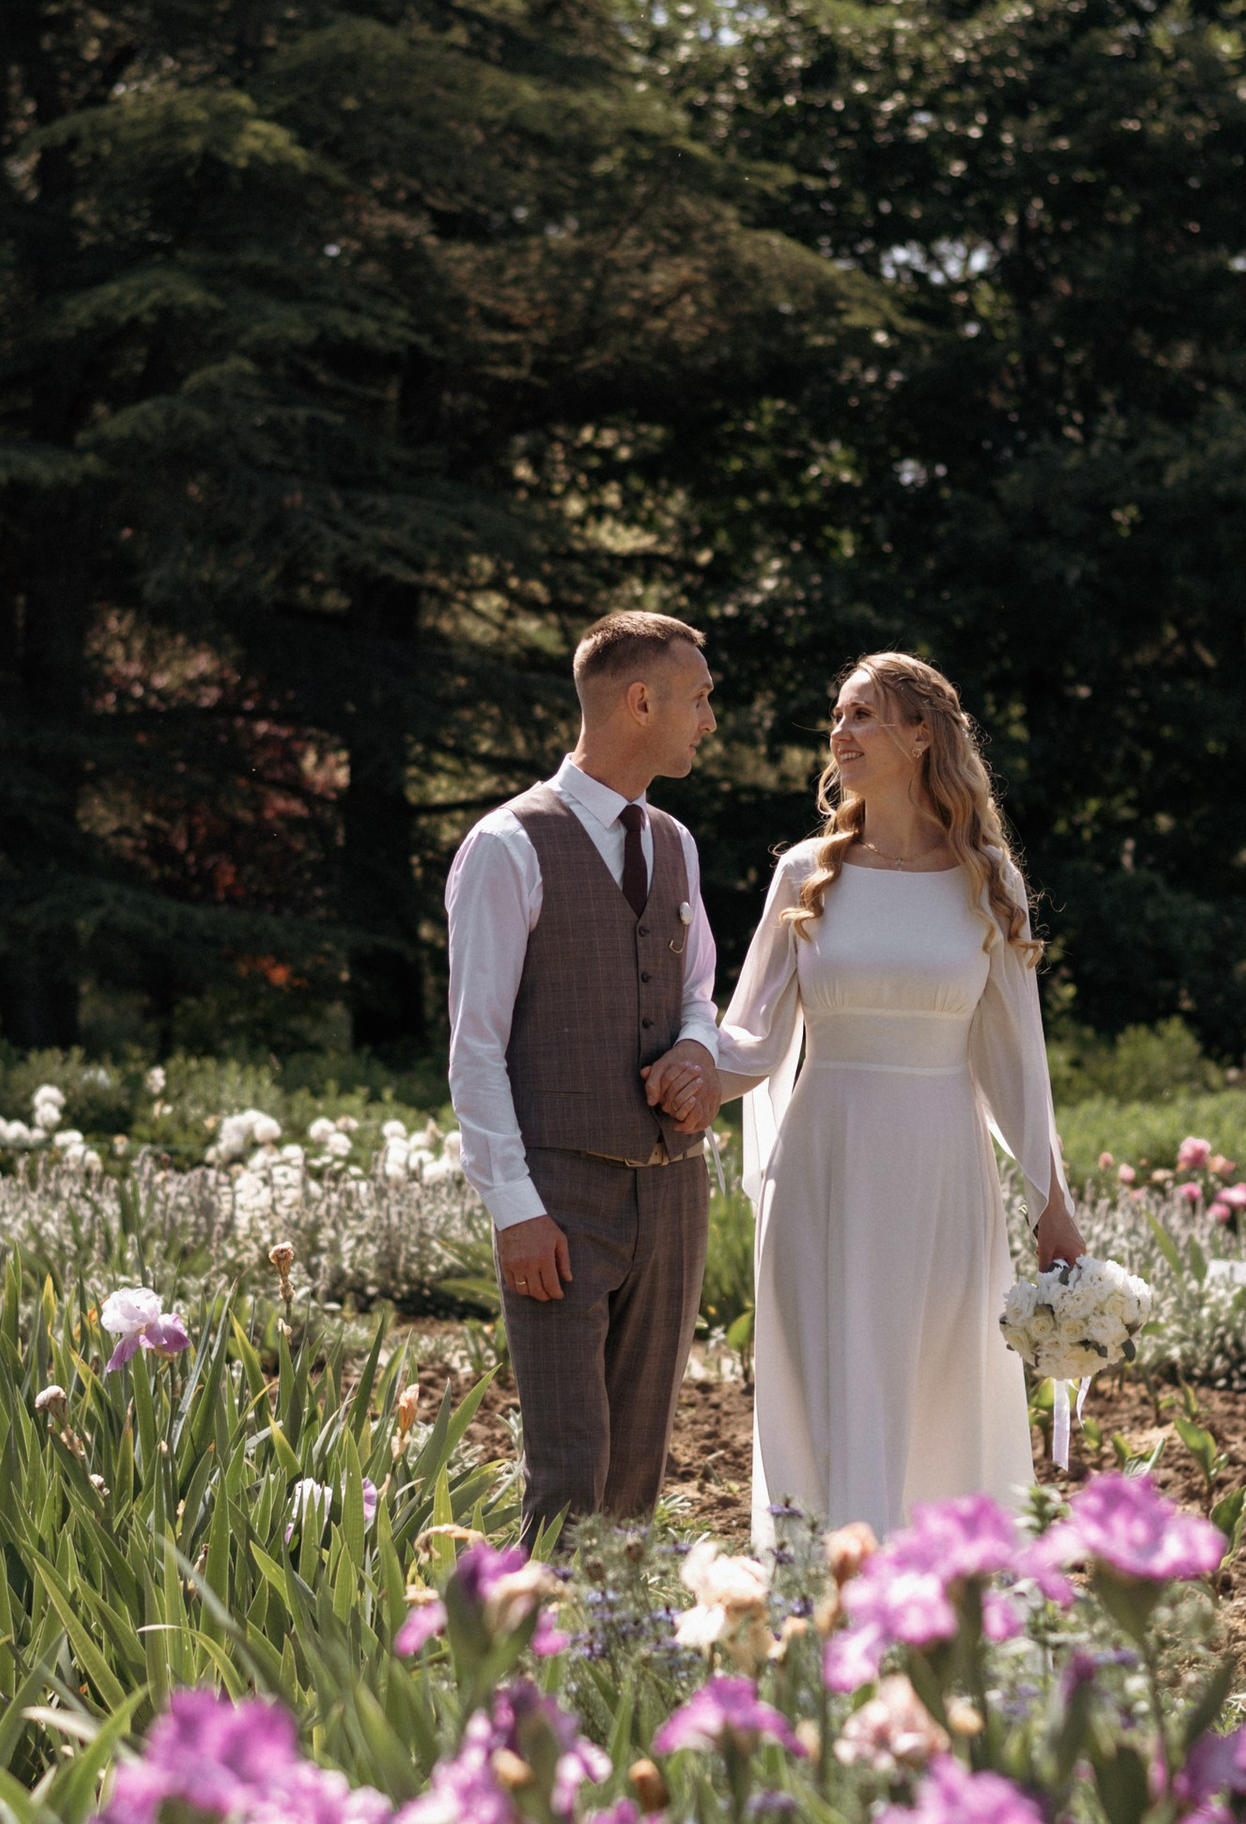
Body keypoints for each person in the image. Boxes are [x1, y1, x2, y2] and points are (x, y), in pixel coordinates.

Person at [716, 651, 1084, 1548]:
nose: (840, 735)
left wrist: (1053, 1204)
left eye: (863, 716)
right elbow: (751, 1036)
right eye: (837, 719)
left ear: (922, 735)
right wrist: (675, 1062)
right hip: (825, 1161)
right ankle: (822, 1612)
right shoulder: (805, 872)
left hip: (939, 1167)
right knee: (827, 1383)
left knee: (941, 1384)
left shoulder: (985, 880)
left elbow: (1013, 1061)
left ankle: (941, 1615)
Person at [445, 611, 723, 1540]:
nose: (708, 720)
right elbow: (475, 1045)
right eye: (698, 698)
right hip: (557, 1203)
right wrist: (514, 1210)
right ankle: (531, 1680)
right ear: (639, 702)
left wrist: (696, 1050)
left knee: (637, 1481)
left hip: (675, 1195)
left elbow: (698, 995)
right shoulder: (507, 846)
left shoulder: (677, 844)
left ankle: (620, 1679)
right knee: (569, 1478)